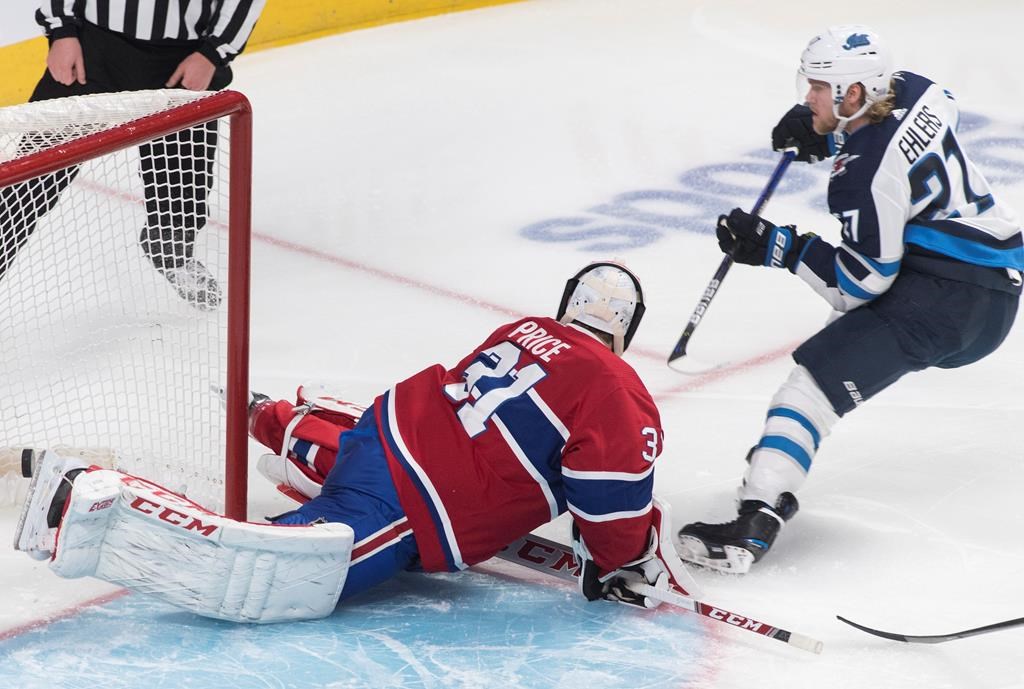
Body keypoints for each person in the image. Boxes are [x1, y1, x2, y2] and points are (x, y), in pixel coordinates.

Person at [14, 261, 696, 622]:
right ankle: (87, 498)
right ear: (626, 331)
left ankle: (284, 423)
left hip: (383, 428)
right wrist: (619, 559)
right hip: (417, 501)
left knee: (375, 450)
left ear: (566, 304)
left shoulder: (523, 330)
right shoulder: (618, 386)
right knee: (269, 573)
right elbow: (609, 495)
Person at [677, 25, 1023, 574]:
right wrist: (835, 134)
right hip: (998, 292)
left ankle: (755, 520)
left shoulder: (861, 176)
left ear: (854, 93)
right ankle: (772, 478)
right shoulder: (916, 87)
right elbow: (927, 118)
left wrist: (779, 246)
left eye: (819, 88)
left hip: (945, 300)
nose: (808, 97)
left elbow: (859, 284)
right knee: (829, 359)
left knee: (809, 389)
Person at [0, 0, 267, 308]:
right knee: (28, 182)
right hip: (92, 48)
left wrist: (212, 54)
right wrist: (62, 30)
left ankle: (171, 253)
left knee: (183, 195)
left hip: (180, 60)